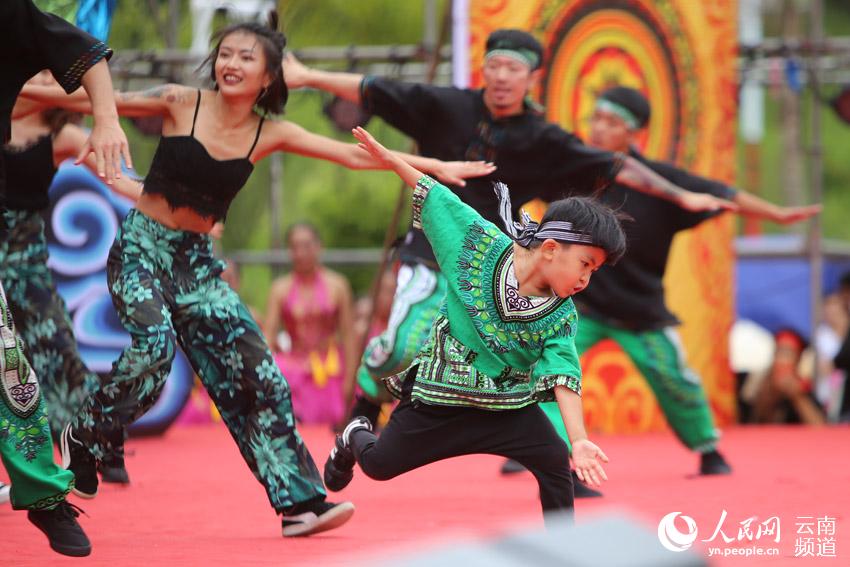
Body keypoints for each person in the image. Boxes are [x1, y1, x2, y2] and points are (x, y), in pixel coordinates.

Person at [26, 14, 495, 537]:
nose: (230, 63)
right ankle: (84, 433)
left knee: (260, 378)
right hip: (142, 250)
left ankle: (299, 503)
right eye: (225, 54)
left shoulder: (271, 133)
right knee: (153, 351)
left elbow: (354, 155)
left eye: (245, 57)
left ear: (268, 77)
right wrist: (16, 92)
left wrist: (433, 167)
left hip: (199, 266)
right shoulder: (181, 101)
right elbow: (84, 98)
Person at [282, 29, 736, 468]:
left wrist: (680, 196)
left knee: (529, 365)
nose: (501, 76)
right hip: (433, 251)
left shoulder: (542, 138)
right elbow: (373, 89)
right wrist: (305, 77)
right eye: (493, 65)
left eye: (513, 68)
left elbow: (615, 167)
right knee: (404, 346)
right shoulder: (446, 105)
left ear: (532, 78)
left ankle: (543, 451)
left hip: (494, 265)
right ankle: (365, 401)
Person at [324, 126, 625, 521]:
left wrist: (580, 441)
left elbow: (564, 376)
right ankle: (352, 434)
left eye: (595, 270)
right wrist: (392, 160)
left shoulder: (560, 315)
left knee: (555, 461)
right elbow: (437, 196)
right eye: (586, 264)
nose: (587, 279)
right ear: (550, 249)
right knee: (379, 465)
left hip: (508, 408)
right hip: (439, 397)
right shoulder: (479, 247)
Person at [524, 86, 821, 483]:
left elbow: (724, 195)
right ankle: (543, 449)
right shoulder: (576, 171)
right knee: (547, 369)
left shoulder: (665, 184)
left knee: (675, 380)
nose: (599, 129)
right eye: (596, 118)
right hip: (580, 306)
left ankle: (707, 448)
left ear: (636, 134)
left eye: (612, 123)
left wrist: (778, 214)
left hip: (641, 312)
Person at [0, 0, 133, 557]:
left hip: (22, 249)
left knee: (19, 364)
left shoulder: (10, 17)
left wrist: (105, 119)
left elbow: (85, 53)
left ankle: (52, 489)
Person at [264, 222, 355, 427]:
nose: (300, 253)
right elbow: (267, 338)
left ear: (318, 247)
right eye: (294, 247)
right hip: (294, 368)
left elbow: (349, 335)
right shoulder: (280, 289)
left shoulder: (338, 286)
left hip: (330, 367)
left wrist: (350, 378)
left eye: (306, 246)